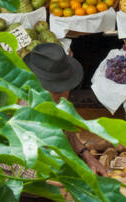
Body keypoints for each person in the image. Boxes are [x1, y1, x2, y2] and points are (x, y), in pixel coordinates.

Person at [24, 45, 107, 174]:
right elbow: (7, 164)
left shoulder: (59, 102)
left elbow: (68, 133)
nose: (62, 95)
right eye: (55, 90)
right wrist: (46, 180)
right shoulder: (19, 112)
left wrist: (86, 155)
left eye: (65, 88)